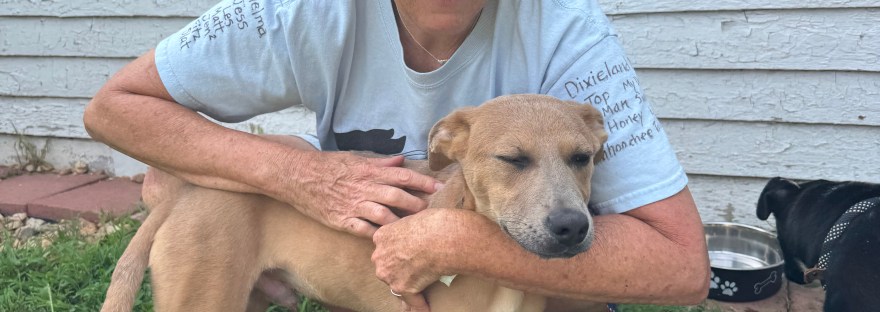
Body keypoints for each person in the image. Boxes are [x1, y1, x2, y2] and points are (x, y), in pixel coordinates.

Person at [83, 0, 710, 311]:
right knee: (173, 175)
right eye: (515, 160)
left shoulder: (569, 30)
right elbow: (115, 107)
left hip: (487, 252)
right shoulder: (292, 12)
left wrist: (455, 241)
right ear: (447, 144)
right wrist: (294, 174)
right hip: (244, 225)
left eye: (579, 159)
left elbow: (682, 266)